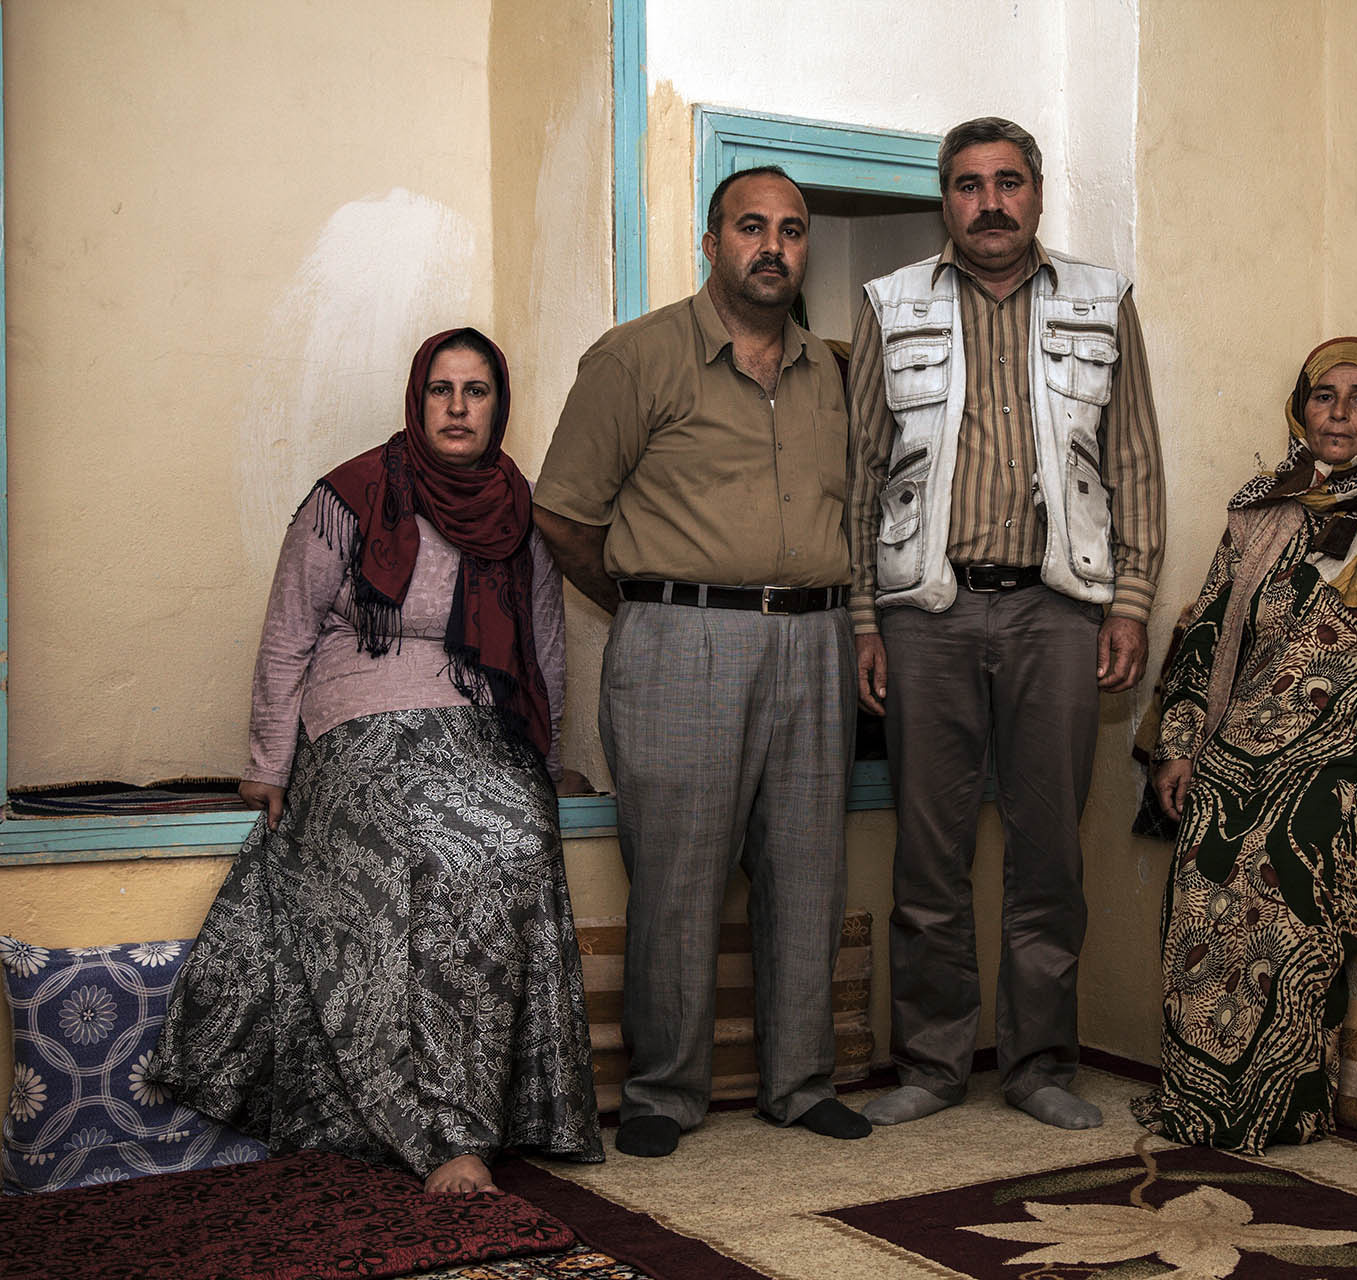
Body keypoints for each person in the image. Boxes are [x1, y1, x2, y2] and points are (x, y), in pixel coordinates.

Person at [155, 327, 603, 1193]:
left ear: (499, 406)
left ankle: (516, 1109)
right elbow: (288, 631)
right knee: (435, 848)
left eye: (476, 391)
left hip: (480, 728)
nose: (458, 408)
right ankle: (442, 1132)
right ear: (417, 398)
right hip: (359, 722)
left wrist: (548, 764)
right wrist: (269, 762)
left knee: (517, 840)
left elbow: (543, 647)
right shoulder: (352, 495)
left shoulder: (518, 510)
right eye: (442, 389)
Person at [532, 166, 870, 1158]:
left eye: (792, 230)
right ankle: (664, 1091)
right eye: (751, 227)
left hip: (816, 640)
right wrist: (653, 606)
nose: (774, 247)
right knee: (678, 877)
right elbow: (563, 515)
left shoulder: (837, 372)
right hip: (683, 642)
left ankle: (800, 1082)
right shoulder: (636, 357)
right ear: (712, 241)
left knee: (808, 870)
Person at [848, 117, 1166, 1131]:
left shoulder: (1100, 300)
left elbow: (1134, 461)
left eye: (1009, 182)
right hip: (926, 614)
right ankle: (933, 1064)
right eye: (969, 184)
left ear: (1035, 192)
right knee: (928, 855)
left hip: (1057, 612)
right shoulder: (890, 303)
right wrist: (864, 617)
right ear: (945, 199)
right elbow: (860, 472)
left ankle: (1038, 1066)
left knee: (1050, 854)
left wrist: (1130, 602)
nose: (991, 202)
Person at [1132, 336, 1357, 1154]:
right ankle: (1200, 1096)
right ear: (1300, 408)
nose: (1339, 413)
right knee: (1204, 849)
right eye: (1324, 396)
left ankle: (1281, 1103)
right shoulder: (1261, 507)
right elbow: (1206, 628)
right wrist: (1179, 743)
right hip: (1247, 733)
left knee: (1292, 849)